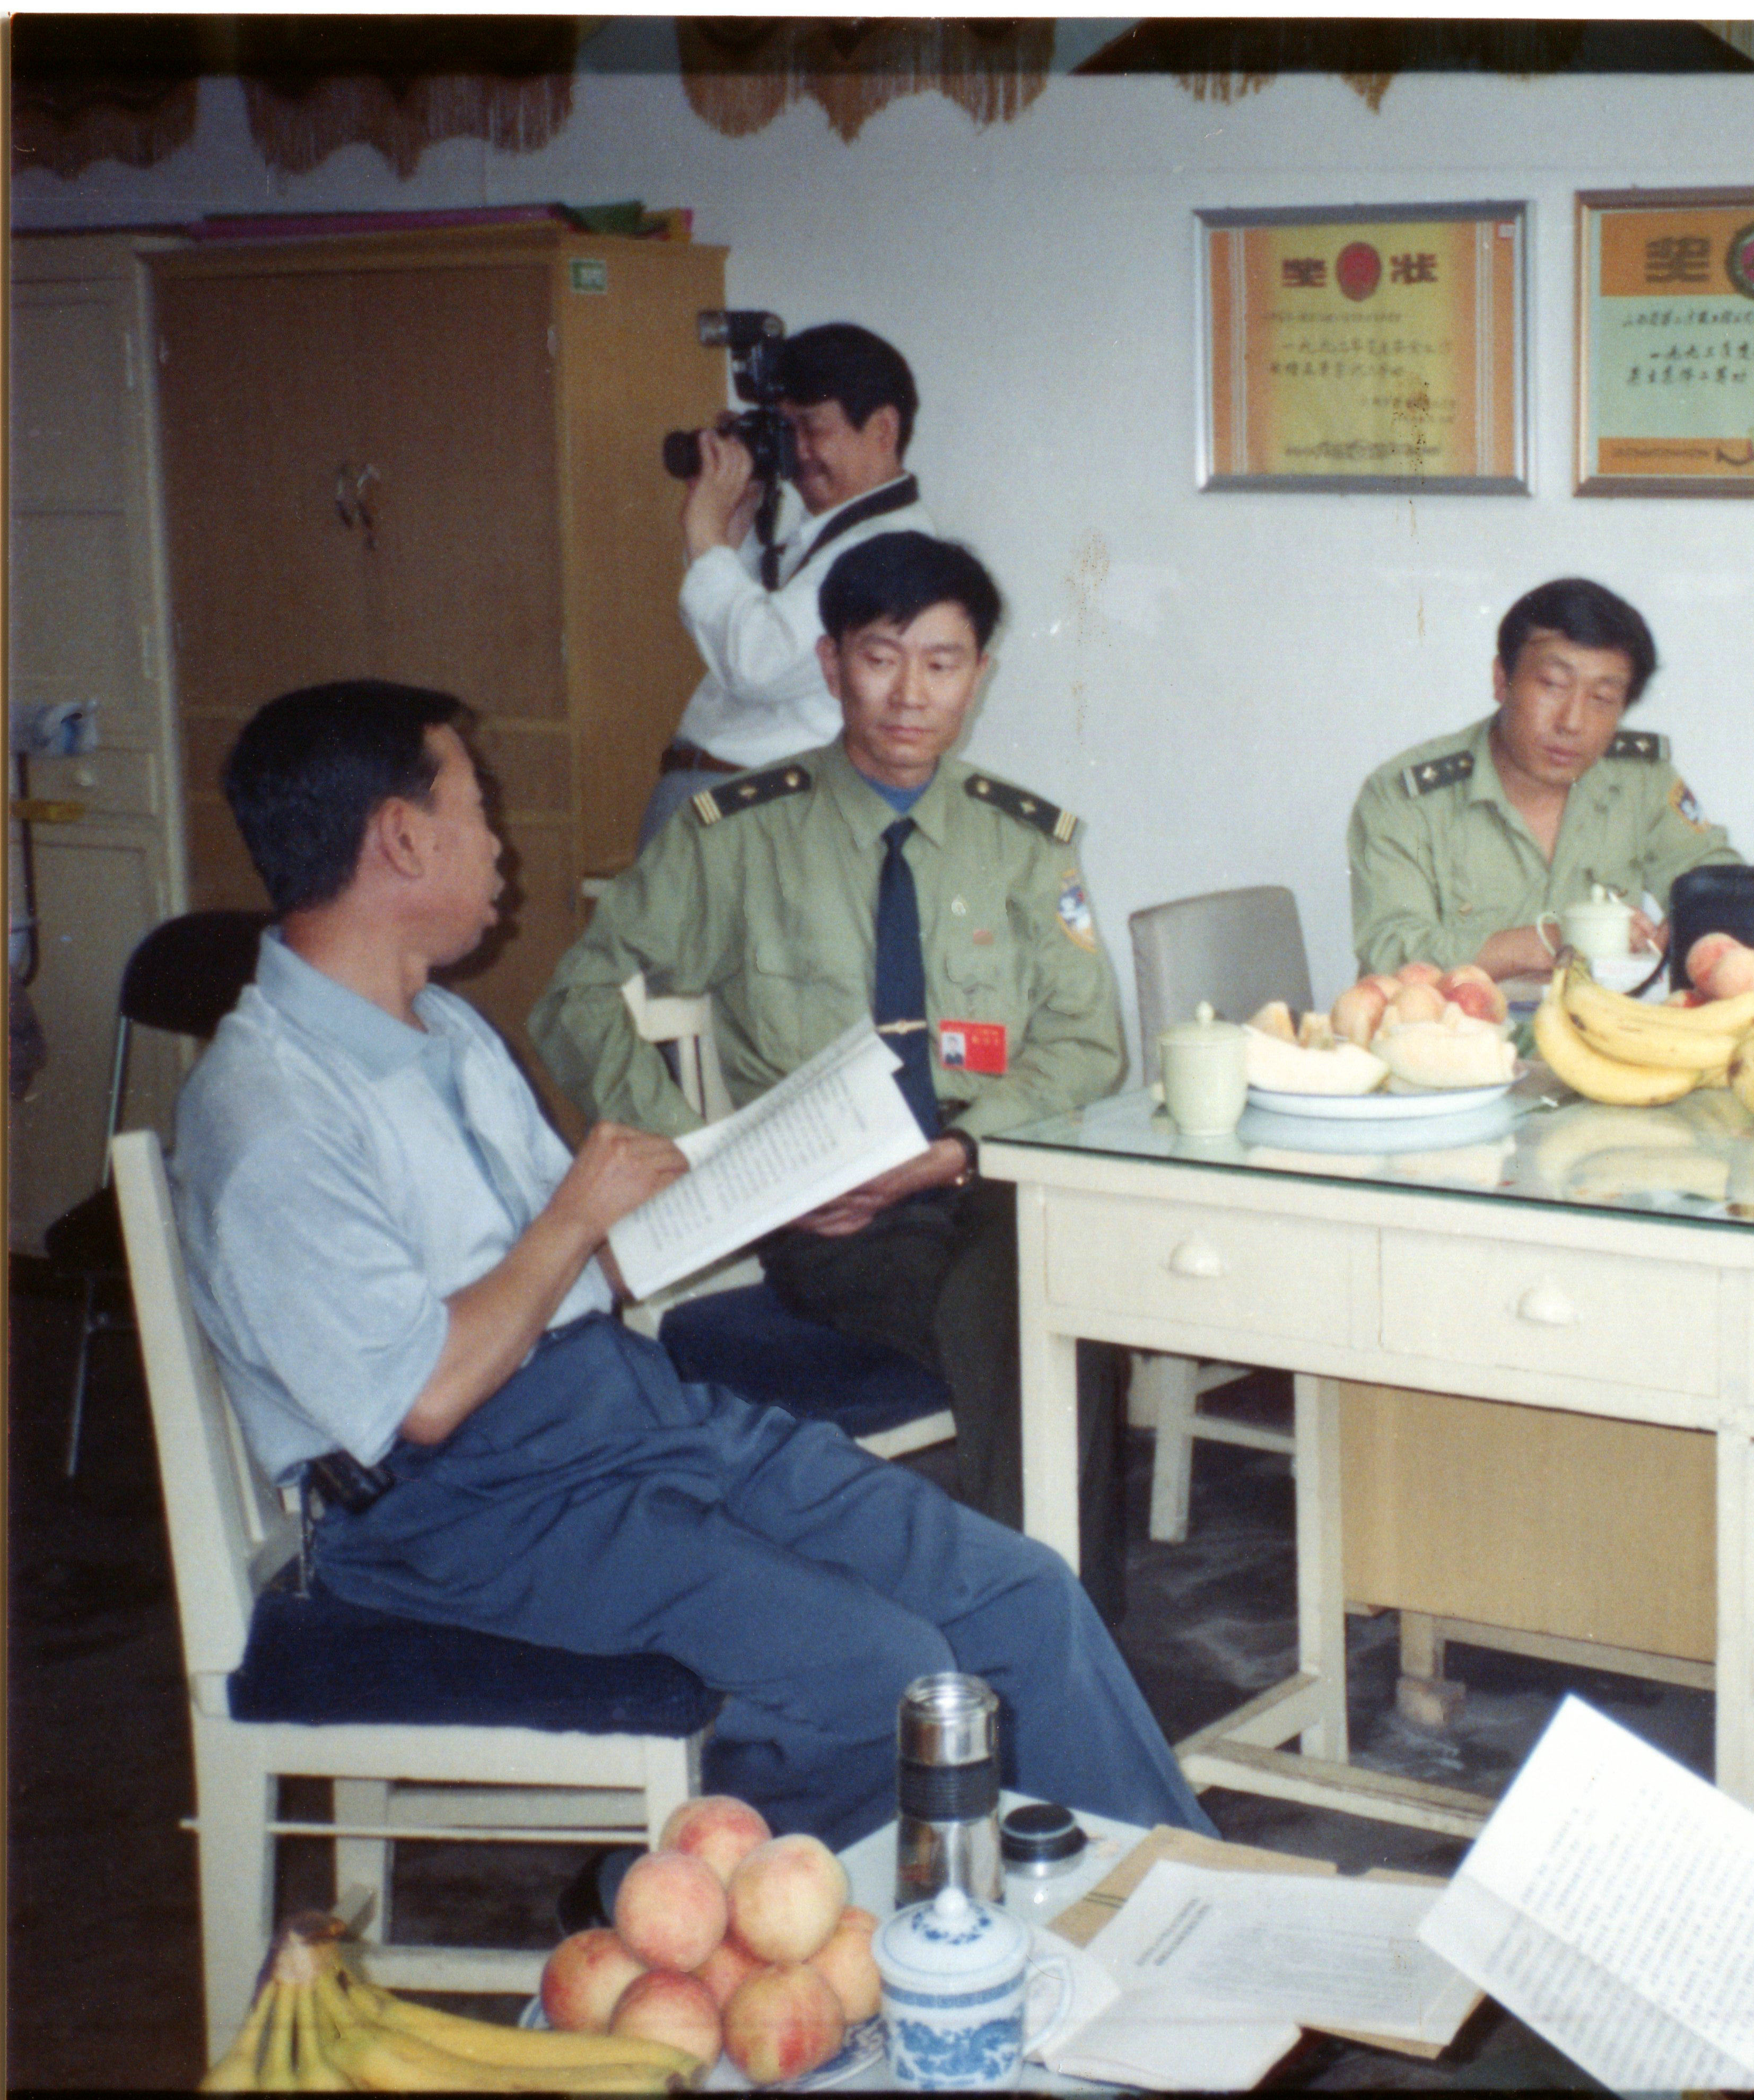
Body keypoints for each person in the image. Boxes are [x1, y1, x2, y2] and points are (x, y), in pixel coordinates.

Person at [171, 679, 1208, 1853]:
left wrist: (753, 1184)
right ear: (403, 839)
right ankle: (700, 1905)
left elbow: (589, 1269)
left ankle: (1174, 1905)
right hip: (460, 1509)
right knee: (884, 1673)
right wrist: (576, 1218)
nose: (499, 844)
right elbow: (426, 1395)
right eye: (477, 809)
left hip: (621, 1417)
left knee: (1018, 1591)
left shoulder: (442, 1030)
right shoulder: (269, 1115)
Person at [534, 533, 1131, 1611]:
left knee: (1037, 1277)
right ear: (830, 663)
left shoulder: (1024, 842)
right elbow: (576, 999)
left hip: (988, 1168)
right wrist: (709, 1164)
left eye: (942, 663)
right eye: (880, 657)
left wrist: (954, 1151)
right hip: (834, 1212)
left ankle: (1024, 1611)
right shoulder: (738, 836)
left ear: (979, 675)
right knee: (1045, 1301)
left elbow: (1089, 1046)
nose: (910, 694)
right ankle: (1049, 1613)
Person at [1347, 576, 1739, 979]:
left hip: (1605, 1018)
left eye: (1602, 699)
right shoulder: (1406, 797)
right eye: (1553, 685)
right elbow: (1390, 951)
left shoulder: (1642, 780)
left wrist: (1695, 927)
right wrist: (1551, 942)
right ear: (1502, 679)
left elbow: (1722, 887)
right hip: (1459, 1019)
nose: (1572, 723)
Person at [643, 322, 937, 846]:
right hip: (725, 801)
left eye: (813, 427)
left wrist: (705, 533)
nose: (796, 452)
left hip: (755, 812)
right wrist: (735, 528)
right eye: (785, 429)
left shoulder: (890, 549)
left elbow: (757, 662)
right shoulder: (834, 534)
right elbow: (734, 637)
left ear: (883, 429)